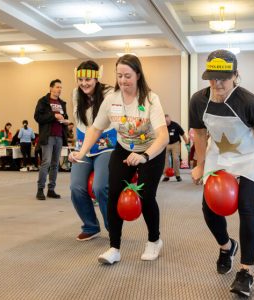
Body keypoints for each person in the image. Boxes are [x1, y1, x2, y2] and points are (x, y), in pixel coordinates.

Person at [189, 49, 254, 297]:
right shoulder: (198, 100)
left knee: (246, 206)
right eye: (212, 78)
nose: (217, 84)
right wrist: (201, 165)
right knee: (209, 207)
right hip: (220, 155)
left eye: (223, 78)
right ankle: (226, 247)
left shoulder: (249, 101)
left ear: (236, 75)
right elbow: (201, 135)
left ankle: (245, 272)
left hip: (250, 155)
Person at [69, 54, 168, 264]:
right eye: (119, 75)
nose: (123, 80)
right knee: (112, 193)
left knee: (145, 195)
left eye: (128, 76)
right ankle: (114, 247)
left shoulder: (151, 99)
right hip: (123, 149)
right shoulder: (112, 99)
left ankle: (154, 240)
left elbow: (163, 136)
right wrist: (81, 152)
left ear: (138, 75)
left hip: (151, 151)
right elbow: (95, 128)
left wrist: (144, 156)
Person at [70, 60, 116, 241]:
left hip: (106, 146)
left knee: (100, 187)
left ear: (97, 78)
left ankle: (113, 227)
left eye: (88, 79)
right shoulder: (76, 94)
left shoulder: (109, 93)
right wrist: (78, 147)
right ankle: (90, 226)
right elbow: (80, 123)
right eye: (80, 79)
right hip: (83, 148)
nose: (84, 83)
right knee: (76, 187)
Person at [34, 79, 69, 200]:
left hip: (59, 136)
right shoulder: (43, 101)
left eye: (61, 87)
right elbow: (38, 117)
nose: (59, 89)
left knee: (55, 164)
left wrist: (65, 121)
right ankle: (40, 189)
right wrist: (54, 116)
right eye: (57, 87)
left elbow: (65, 116)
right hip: (48, 136)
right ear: (51, 88)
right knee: (46, 162)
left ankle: (51, 189)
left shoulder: (62, 103)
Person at [162, 114, 189, 182]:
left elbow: (182, 133)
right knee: (165, 159)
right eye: (165, 122)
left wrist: (186, 142)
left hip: (175, 144)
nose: (167, 123)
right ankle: (166, 176)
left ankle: (177, 175)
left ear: (170, 119)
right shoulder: (163, 126)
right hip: (166, 144)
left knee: (175, 158)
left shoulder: (175, 125)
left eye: (167, 121)